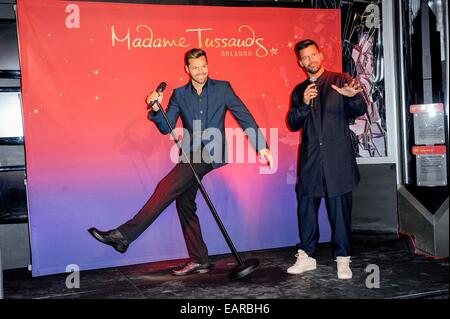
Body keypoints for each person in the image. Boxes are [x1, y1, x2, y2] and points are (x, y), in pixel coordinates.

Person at [88, 48, 273, 276]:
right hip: (190, 153)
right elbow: (167, 126)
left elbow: (244, 115)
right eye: (195, 68)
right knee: (184, 202)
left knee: (166, 187)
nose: (201, 71)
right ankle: (200, 259)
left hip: (212, 151)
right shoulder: (179, 94)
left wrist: (262, 146)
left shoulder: (223, 88)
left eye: (204, 66)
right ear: (187, 69)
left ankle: (123, 236)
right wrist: (156, 108)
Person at [286, 39, 367, 279]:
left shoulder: (341, 79)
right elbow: (292, 123)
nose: (310, 60)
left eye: (313, 55)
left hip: (337, 159)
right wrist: (303, 104)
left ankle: (343, 259)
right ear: (300, 62)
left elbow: (359, 109)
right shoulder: (300, 90)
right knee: (306, 209)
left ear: (321, 55)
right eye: (305, 58)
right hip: (312, 159)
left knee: (340, 211)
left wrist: (351, 97)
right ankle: (307, 256)